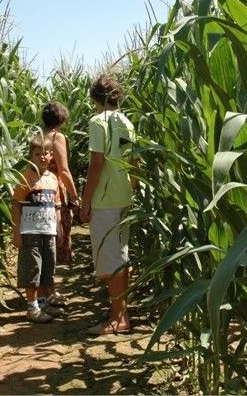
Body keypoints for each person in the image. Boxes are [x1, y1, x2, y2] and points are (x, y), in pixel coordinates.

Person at [79, 74, 136, 335]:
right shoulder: (126, 121)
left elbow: (96, 164)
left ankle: (118, 319)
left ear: (94, 98)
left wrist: (85, 201)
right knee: (121, 256)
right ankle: (120, 313)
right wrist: (132, 188)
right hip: (124, 196)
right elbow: (135, 162)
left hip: (105, 199)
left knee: (111, 259)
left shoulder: (97, 122)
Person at [11, 134, 65, 323]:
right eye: (37, 154)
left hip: (48, 231)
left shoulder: (53, 179)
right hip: (30, 232)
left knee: (47, 267)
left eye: (46, 153)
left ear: (51, 156)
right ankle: (32, 307)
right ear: (30, 156)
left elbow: (57, 206)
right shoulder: (25, 178)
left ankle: (42, 304)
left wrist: (58, 226)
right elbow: (16, 205)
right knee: (32, 268)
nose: (42, 157)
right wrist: (16, 231)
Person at [41, 101, 80, 269]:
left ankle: (44, 287)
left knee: (44, 236)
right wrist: (74, 196)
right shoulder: (57, 137)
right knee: (59, 234)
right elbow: (63, 170)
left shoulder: (39, 135)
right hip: (55, 191)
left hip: (39, 190)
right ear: (62, 119)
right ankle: (50, 288)